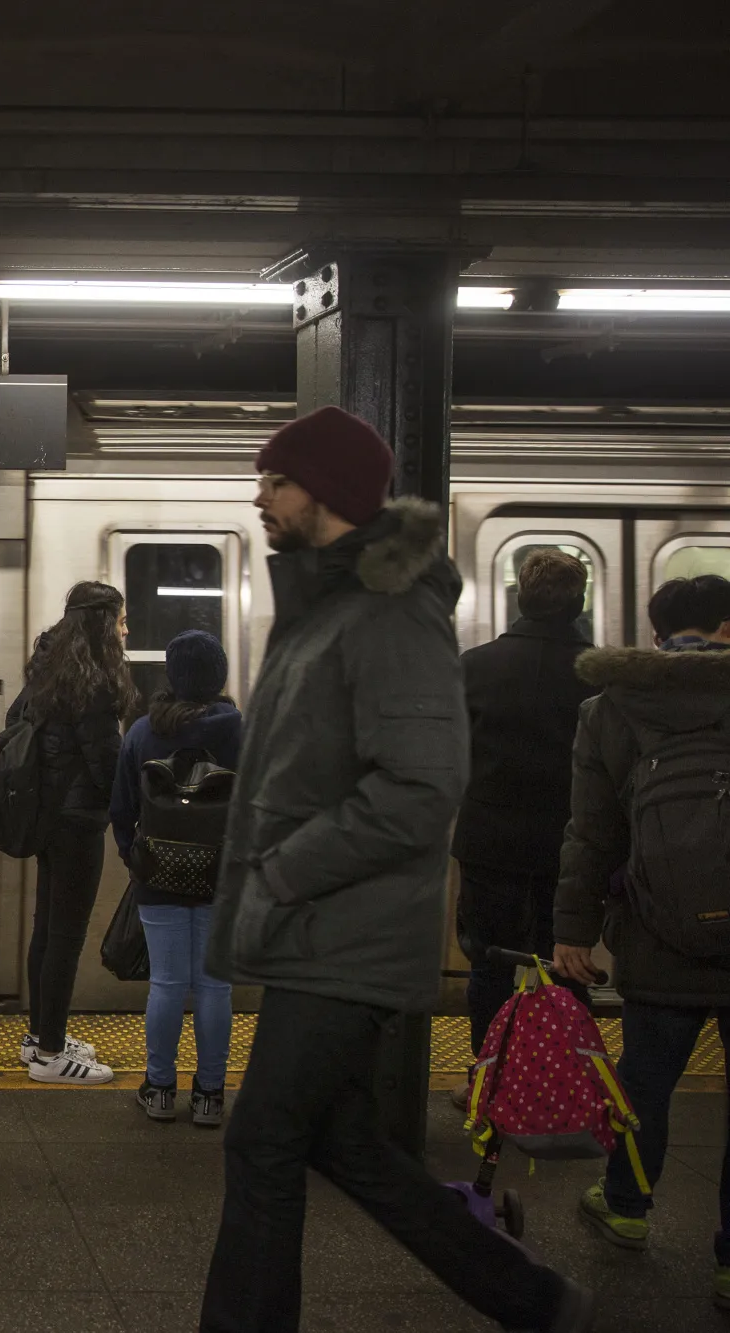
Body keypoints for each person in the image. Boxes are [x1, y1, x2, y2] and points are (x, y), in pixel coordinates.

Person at [199, 407, 591, 1333]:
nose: (260, 496)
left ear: (327, 492)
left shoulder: (385, 614)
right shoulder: (328, 609)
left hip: (346, 930)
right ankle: (530, 1298)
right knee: (342, 1143)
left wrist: (285, 869)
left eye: (276, 481)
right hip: (320, 929)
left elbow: (419, 787)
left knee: (260, 1143)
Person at [555, 572, 730, 1308]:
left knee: (646, 1080)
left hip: (657, 935)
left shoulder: (610, 707)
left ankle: (625, 1205)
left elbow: (590, 832)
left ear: (655, 630)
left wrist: (573, 928)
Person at [452, 548, 595, 1075]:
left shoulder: (474, 667)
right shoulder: (597, 675)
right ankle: (562, 1079)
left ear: (521, 597)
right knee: (567, 964)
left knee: (489, 967)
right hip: (570, 847)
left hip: (489, 842)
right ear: (578, 602)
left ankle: (488, 1077)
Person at [108, 629, 240, 1126]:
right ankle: (209, 1096)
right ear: (220, 676)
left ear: (173, 676)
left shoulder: (143, 731)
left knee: (166, 984)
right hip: (221, 878)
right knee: (213, 987)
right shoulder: (241, 730)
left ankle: (160, 1089)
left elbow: (121, 809)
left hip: (156, 876)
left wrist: (135, 858)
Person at [8, 580, 132, 1086]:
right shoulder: (95, 683)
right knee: (65, 935)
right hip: (78, 822)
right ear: (103, 623)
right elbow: (107, 764)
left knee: (46, 929)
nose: (127, 631)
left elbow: (18, 723)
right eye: (122, 621)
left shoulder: (47, 669)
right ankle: (53, 1055)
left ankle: (40, 1037)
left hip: (46, 816)